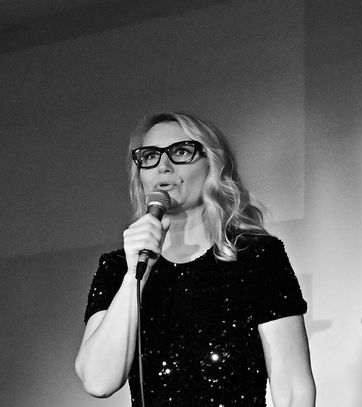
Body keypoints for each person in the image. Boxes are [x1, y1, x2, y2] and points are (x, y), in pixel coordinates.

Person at [75, 112, 316, 406]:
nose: (163, 166)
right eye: (150, 156)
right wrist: (134, 275)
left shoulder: (256, 257)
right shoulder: (118, 267)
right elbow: (98, 382)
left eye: (180, 152)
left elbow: (293, 388)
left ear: (212, 164)